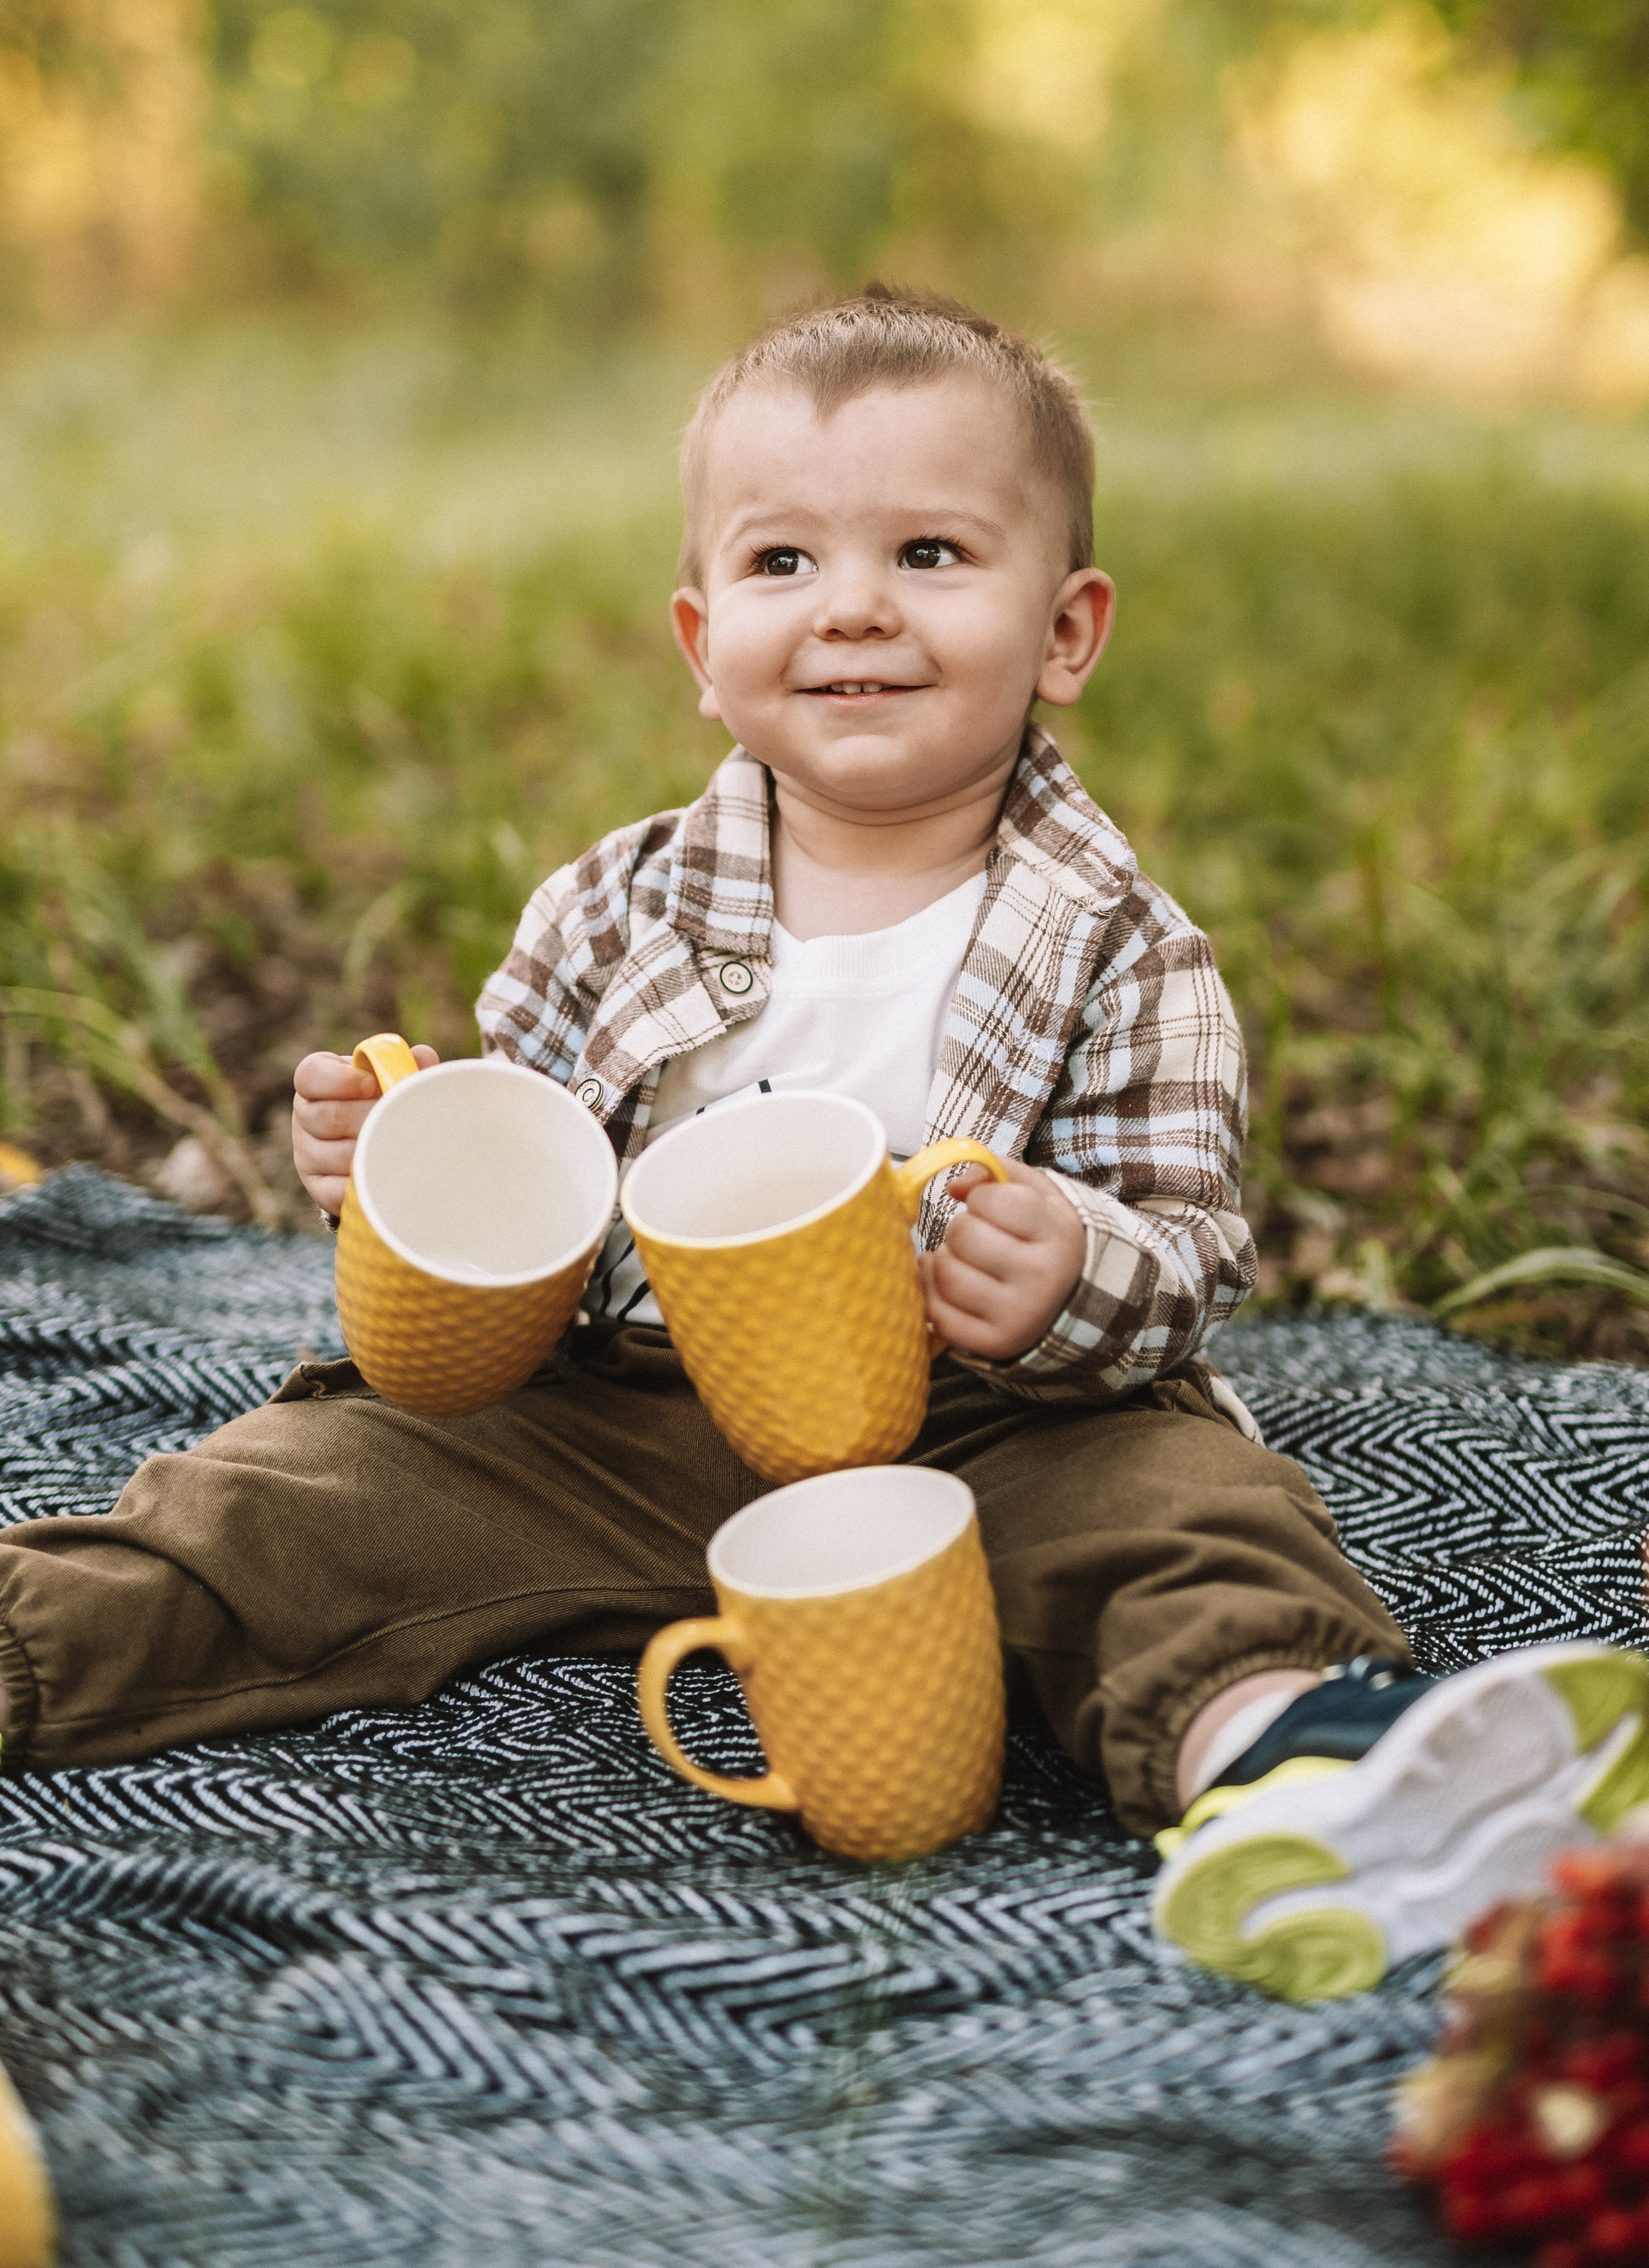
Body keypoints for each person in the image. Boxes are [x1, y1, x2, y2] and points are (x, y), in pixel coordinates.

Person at [1, 289, 1643, 2006]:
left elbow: (1187, 1239)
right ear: (704, 641)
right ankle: (40, 1642)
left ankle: (1298, 1766)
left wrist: (1077, 1266)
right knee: (290, 1496)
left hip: (987, 1428)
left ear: (1066, 629)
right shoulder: (610, 906)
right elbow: (524, 1167)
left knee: (1187, 1519)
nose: (854, 604)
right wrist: (405, 1165)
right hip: (615, 1414)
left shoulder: (1123, 946)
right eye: (786, 563)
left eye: (931, 551)